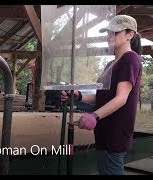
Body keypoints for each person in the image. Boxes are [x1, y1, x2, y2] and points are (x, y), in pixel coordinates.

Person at [61, 15, 142, 175]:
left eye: (114, 33)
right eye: (108, 33)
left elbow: (121, 98)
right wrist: (79, 96)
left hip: (115, 133)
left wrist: (94, 116)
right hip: (105, 133)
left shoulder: (130, 59)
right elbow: (103, 97)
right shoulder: (111, 64)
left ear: (129, 35)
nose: (109, 36)